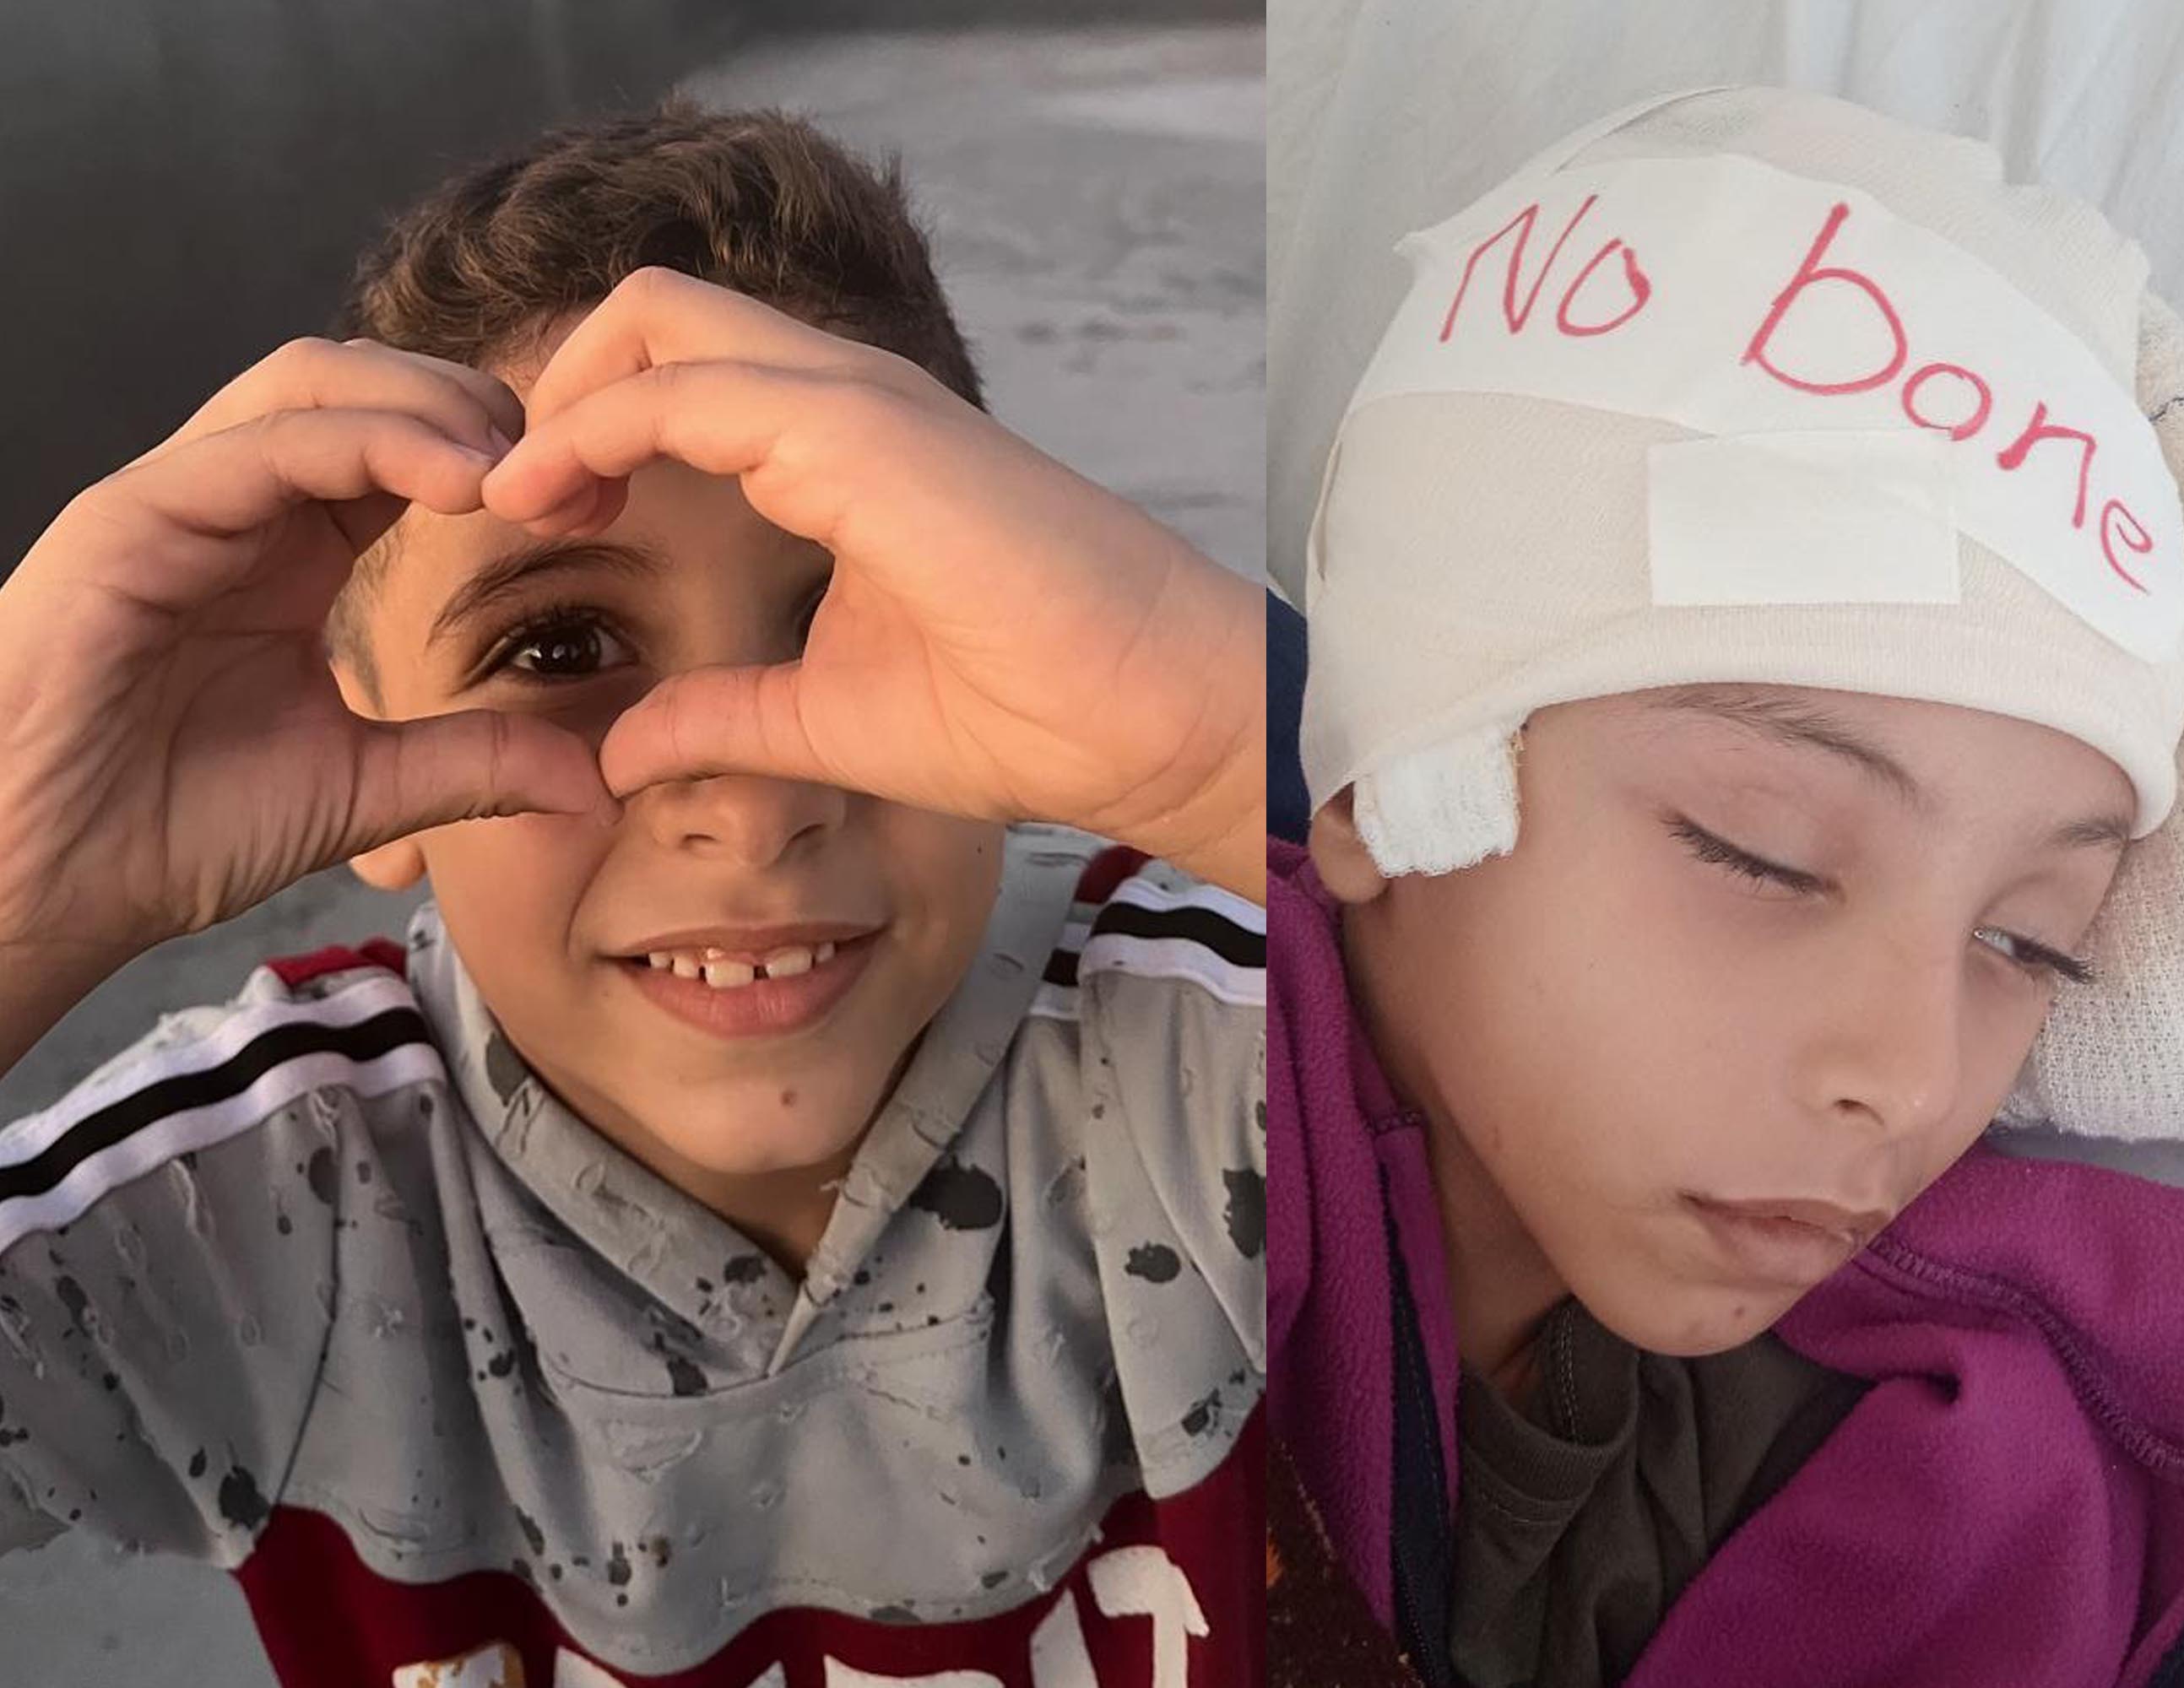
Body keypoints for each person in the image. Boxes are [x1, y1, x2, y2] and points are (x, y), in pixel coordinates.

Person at [0, 104, 1267, 1687]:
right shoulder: (274, 1202)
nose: (748, 796)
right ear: (350, 726)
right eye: (558, 650)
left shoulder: (1213, 1067)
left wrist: (1218, 733)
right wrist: (17, 896)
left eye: (851, 623)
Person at [1266, 85, 2184, 1687]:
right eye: (1765, 853)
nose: (1906, 1076)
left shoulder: (1946, 1486)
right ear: (1383, 786)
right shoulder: (1151, 1136)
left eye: (2032, 944)